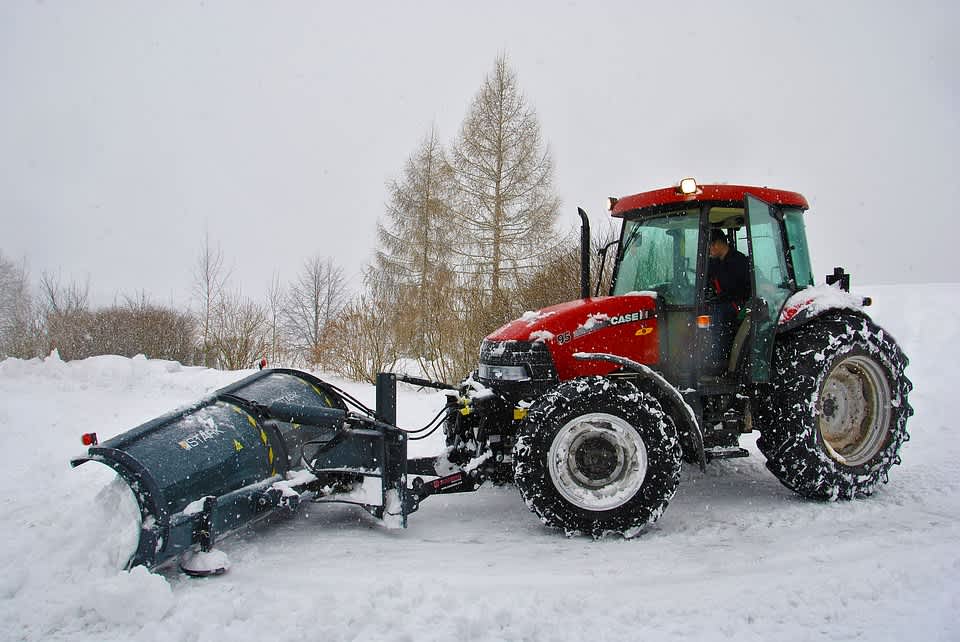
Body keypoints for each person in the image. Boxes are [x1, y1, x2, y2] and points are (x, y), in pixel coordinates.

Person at [705, 229, 750, 373]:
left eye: (709, 246)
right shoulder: (715, 263)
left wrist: (719, 297)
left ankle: (719, 360)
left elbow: (737, 289)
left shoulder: (738, 261)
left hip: (740, 303)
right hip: (723, 301)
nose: (708, 251)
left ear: (717, 244)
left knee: (717, 314)